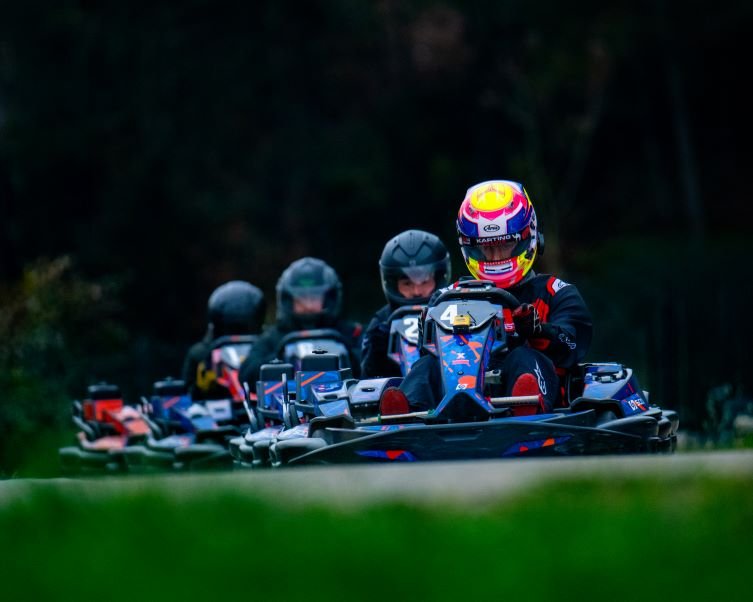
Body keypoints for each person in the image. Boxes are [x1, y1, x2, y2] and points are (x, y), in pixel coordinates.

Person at [395, 179, 592, 413]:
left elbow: (573, 346)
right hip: (456, 393)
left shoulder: (556, 292)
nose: (496, 256)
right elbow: (429, 352)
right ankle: (404, 414)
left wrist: (537, 331)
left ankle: (525, 405)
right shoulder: (447, 298)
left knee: (522, 356)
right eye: (487, 247)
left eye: (505, 244)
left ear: (527, 237)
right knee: (427, 364)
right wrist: (429, 332)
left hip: (538, 403)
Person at [238, 257, 363, 385]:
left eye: (314, 297)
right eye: (302, 298)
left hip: (344, 395)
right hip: (289, 395)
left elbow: (370, 364)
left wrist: (344, 355)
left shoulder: (352, 333)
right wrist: (284, 357)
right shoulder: (274, 337)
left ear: (328, 299)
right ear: (289, 300)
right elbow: (246, 373)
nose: (308, 305)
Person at [360, 229, 451, 378]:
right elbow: (367, 378)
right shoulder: (382, 322)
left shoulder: (454, 308)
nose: (417, 291)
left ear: (439, 277)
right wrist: (379, 348)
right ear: (393, 284)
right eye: (407, 283)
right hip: (400, 389)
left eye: (424, 281)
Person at [182, 280, 266, 399]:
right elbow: (188, 396)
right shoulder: (201, 355)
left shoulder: (267, 348)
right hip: (216, 407)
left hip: (261, 404)